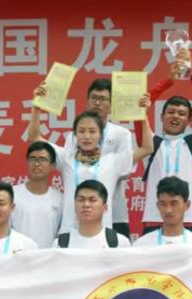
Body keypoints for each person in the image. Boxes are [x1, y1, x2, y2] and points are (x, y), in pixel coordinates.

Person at [28, 85, 153, 235]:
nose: (87, 136)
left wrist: (143, 115)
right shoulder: (66, 158)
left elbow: (147, 148)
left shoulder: (112, 162)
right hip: (69, 233)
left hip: (101, 234)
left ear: (100, 135)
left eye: (92, 131)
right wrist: (36, 108)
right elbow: (35, 137)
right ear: (75, 135)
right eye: (81, 131)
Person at [139, 47, 192, 233]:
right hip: (155, 220)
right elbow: (140, 108)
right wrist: (168, 82)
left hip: (189, 220)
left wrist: (191, 72)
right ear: (161, 117)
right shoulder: (150, 143)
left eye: (182, 114)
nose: (175, 116)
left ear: (189, 121)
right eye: (171, 112)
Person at [62, 78, 137, 238]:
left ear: (112, 105)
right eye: (94, 98)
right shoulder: (73, 137)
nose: (97, 103)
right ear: (87, 101)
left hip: (114, 211)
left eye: (103, 99)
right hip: (80, 209)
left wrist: (103, 169)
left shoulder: (121, 134)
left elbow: (126, 170)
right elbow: (70, 167)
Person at [11, 141, 63, 248]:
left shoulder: (60, 199)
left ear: (52, 165)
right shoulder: (12, 194)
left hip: (48, 256)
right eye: (32, 159)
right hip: (18, 255)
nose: (37, 164)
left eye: (42, 159)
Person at [133, 177, 192, 247]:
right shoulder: (142, 245)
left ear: (187, 205)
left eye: (174, 204)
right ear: (158, 206)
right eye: (163, 204)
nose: (168, 210)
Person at [54, 180, 131, 250]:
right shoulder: (60, 244)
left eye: (92, 200)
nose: (86, 205)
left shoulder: (120, 243)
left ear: (105, 208)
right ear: (74, 206)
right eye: (81, 200)